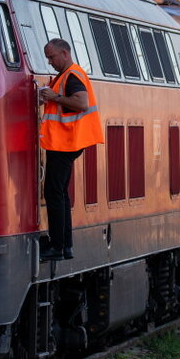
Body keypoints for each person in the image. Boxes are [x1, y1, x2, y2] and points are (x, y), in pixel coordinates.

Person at [39, 38, 104, 261]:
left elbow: (81, 103)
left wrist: (55, 97)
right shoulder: (66, 75)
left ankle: (57, 246)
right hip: (65, 142)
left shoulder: (72, 75)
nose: (50, 62)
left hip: (66, 142)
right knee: (60, 193)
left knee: (54, 192)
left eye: (52, 57)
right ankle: (64, 246)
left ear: (64, 54)